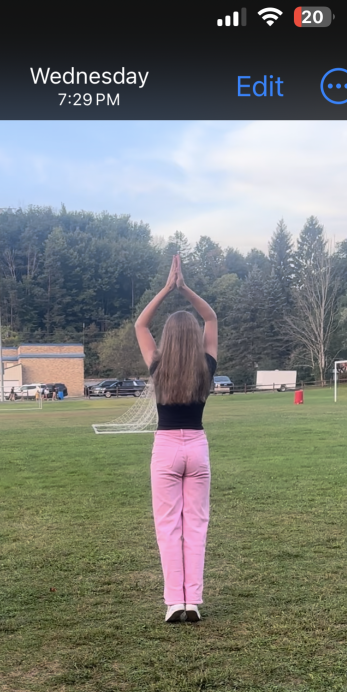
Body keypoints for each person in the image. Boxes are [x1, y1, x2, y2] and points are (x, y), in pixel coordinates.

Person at [134, 254, 218, 624]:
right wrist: (186, 290)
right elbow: (211, 318)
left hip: (166, 447)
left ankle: (174, 603)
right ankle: (193, 601)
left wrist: (167, 289)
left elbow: (140, 324)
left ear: (167, 338)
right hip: (197, 446)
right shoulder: (206, 366)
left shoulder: (157, 365)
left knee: (168, 528)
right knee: (195, 526)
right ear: (195, 337)